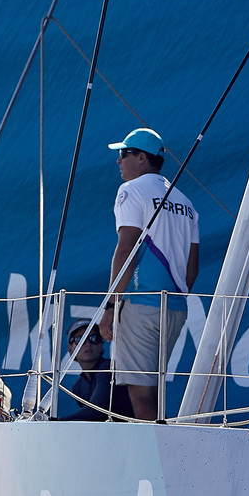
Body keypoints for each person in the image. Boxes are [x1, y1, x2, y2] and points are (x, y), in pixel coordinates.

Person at [99, 128, 199, 421]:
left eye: (123, 154)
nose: (118, 161)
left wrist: (110, 306)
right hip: (176, 308)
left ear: (142, 158)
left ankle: (154, 462)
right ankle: (162, 453)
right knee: (155, 391)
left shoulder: (131, 190)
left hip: (141, 304)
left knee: (140, 393)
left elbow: (126, 249)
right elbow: (192, 269)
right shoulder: (186, 203)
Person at [63, 318, 135, 421]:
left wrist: (53, 421)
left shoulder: (109, 368)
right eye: (80, 339)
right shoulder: (78, 387)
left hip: (135, 433)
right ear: (70, 349)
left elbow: (95, 412)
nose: (87, 343)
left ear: (101, 345)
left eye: (94, 338)